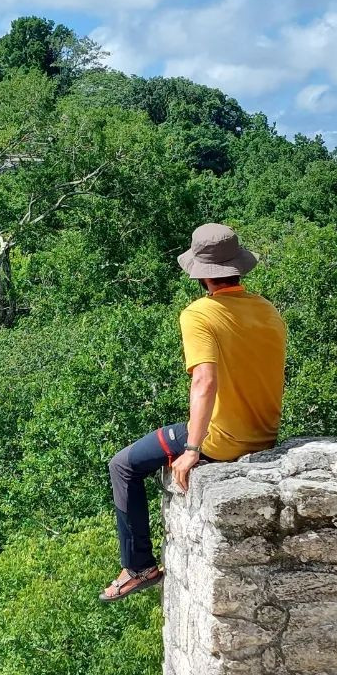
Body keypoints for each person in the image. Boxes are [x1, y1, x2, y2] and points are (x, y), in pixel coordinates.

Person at [99, 224, 287, 602]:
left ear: (202, 273)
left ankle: (137, 568)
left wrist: (193, 448)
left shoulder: (199, 314)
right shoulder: (267, 310)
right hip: (264, 433)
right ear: (237, 268)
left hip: (222, 439)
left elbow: (204, 381)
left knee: (122, 465)